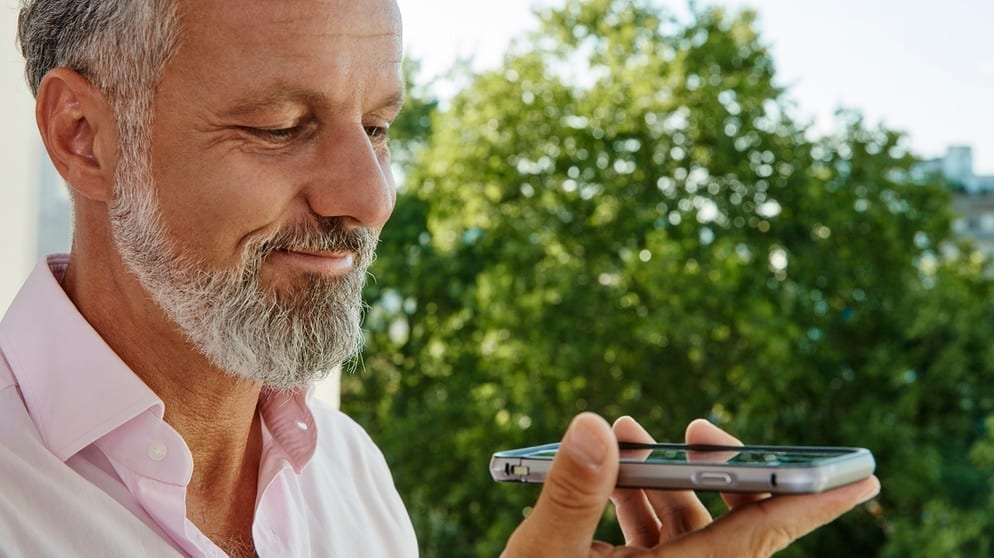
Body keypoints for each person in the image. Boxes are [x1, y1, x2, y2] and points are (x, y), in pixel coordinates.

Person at [0, 0, 879, 556]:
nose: (370, 198)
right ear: (84, 135)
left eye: (378, 128)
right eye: (279, 126)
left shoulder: (349, 475)